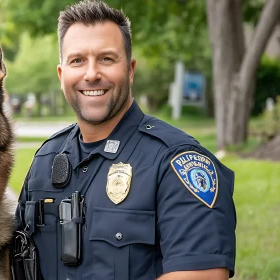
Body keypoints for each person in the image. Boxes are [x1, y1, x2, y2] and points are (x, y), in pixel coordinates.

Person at [15, 0, 236, 279]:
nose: (91, 73)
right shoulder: (45, 161)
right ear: (62, 75)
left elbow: (202, 275)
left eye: (106, 59)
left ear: (130, 70)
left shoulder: (177, 164)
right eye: (77, 60)